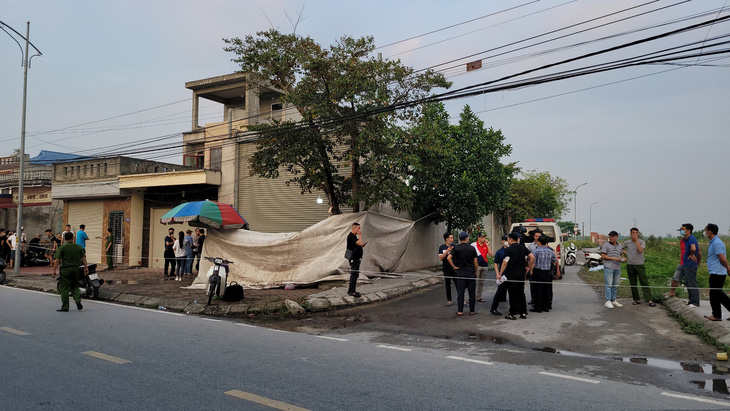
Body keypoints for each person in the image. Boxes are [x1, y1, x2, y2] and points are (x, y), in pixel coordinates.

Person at [499, 232, 534, 320]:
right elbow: (532, 257)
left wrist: (500, 273)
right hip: (521, 274)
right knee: (521, 293)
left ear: (511, 239)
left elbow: (505, 262)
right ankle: (523, 312)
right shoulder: (523, 248)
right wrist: (528, 267)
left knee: (512, 294)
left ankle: (513, 313)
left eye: (508, 239)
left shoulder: (508, 250)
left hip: (512, 275)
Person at [51, 231, 87, 312]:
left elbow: (57, 260)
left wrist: (54, 270)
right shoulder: (78, 247)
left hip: (66, 269)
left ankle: (65, 306)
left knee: (64, 288)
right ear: (73, 238)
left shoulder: (62, 248)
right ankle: (78, 301)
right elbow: (83, 258)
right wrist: (86, 267)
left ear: (65, 239)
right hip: (76, 269)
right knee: (75, 286)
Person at [447, 231, 479, 316]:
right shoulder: (472, 248)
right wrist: (476, 271)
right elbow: (475, 262)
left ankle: (460, 310)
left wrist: (454, 267)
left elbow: (448, 258)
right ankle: (472, 310)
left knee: (460, 292)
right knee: (472, 292)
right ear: (467, 238)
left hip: (461, 272)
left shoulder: (456, 248)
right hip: (470, 272)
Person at [703, 224, 730, 321]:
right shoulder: (714, 242)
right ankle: (717, 314)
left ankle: (717, 315)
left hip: (717, 272)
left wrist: (728, 268)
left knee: (715, 294)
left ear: (710, 231)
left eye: (705, 230)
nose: (705, 232)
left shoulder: (716, 243)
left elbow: (722, 258)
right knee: (718, 294)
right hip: (716, 272)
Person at [622, 227, 655, 307]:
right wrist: (626, 254)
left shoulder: (641, 242)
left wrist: (636, 240)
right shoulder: (627, 242)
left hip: (639, 264)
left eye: (636, 233)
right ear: (630, 234)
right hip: (630, 265)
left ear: (638, 234)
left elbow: (640, 250)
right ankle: (636, 299)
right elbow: (621, 249)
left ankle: (649, 299)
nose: (635, 234)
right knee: (633, 283)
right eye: (633, 233)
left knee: (644, 282)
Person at [530, 236, 557, 313]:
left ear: (539, 242)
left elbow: (533, 261)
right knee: (547, 289)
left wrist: (531, 269)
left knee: (538, 289)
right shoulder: (550, 251)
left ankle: (538, 307)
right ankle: (546, 306)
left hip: (538, 271)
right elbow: (554, 261)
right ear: (546, 243)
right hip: (547, 272)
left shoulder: (536, 251)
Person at [600, 230, 625, 309]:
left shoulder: (619, 246)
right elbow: (603, 256)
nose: (611, 238)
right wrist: (613, 258)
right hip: (608, 266)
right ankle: (608, 301)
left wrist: (623, 259)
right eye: (610, 236)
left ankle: (613, 300)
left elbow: (620, 256)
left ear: (616, 237)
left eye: (612, 236)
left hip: (617, 267)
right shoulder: (606, 245)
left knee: (615, 284)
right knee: (609, 284)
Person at [680, 223, 701, 308]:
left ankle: (695, 302)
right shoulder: (686, 239)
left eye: (683, 229)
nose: (681, 231)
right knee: (688, 282)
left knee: (692, 283)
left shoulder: (692, 239)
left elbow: (693, 248)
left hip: (690, 264)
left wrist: (692, 254)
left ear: (688, 231)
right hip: (686, 264)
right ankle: (691, 300)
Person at [471, 233, 493, 303]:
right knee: (475, 282)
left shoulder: (485, 245)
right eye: (482, 237)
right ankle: (472, 296)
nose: (483, 239)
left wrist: (488, 245)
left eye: (484, 237)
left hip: (484, 265)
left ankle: (478, 296)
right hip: (477, 265)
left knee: (481, 282)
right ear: (478, 238)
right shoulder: (474, 245)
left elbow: (490, 254)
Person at [490, 235, 509, 315]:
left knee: (513, 292)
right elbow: (495, 263)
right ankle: (494, 308)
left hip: (511, 274)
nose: (506, 242)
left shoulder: (511, 250)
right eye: (505, 240)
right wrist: (498, 273)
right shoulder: (499, 252)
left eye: (507, 240)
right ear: (502, 241)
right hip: (503, 275)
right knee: (499, 291)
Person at [345, 222, 365, 298]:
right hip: (354, 259)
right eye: (358, 228)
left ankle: (352, 289)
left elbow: (360, 243)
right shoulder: (351, 236)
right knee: (354, 274)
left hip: (357, 258)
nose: (359, 230)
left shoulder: (354, 236)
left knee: (355, 275)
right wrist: (360, 235)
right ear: (354, 228)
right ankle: (351, 291)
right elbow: (359, 242)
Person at [438, 232, 456, 306]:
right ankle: (449, 300)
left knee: (458, 284)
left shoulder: (455, 246)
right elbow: (441, 258)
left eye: (452, 238)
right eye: (451, 238)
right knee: (447, 285)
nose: (452, 239)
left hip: (454, 268)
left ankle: (461, 299)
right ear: (446, 239)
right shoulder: (442, 247)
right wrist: (447, 251)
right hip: (446, 268)